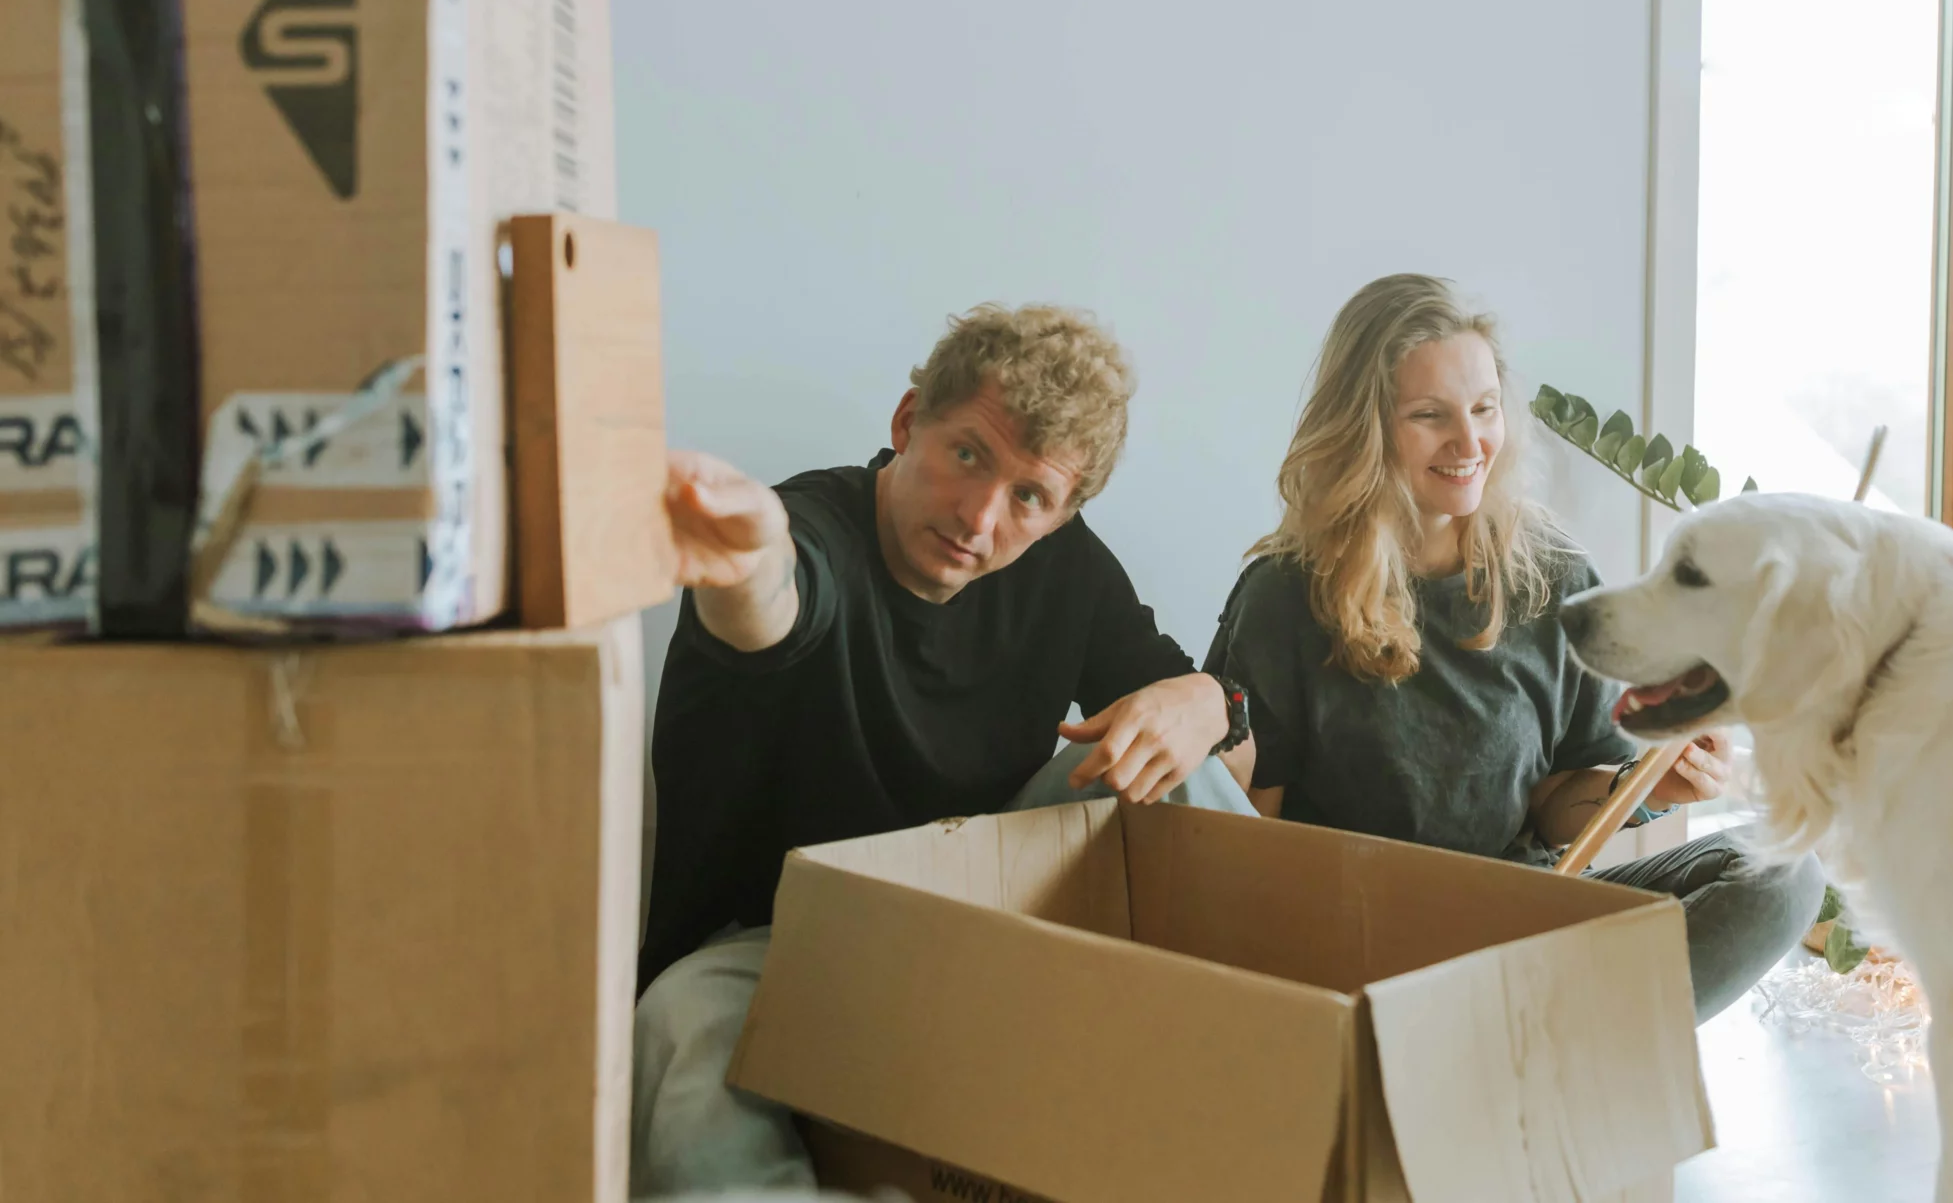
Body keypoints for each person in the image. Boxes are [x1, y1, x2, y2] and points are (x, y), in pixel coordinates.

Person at [632, 304, 1258, 1198]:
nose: (979, 514)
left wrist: (1207, 698)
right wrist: (743, 560)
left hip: (978, 912)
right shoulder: (812, 526)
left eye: (1029, 496)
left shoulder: (1063, 564)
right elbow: (776, 601)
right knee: (675, 1027)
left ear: (1062, 509)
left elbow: (1223, 745)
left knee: (1184, 764)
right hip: (788, 936)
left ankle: (1276, 1101)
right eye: (968, 454)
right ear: (906, 421)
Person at [1206, 274, 1826, 1024]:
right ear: (1367, 427)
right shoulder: (1283, 597)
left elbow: (1559, 804)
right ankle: (1529, 1049)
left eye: (1483, 408)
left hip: (1524, 926)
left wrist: (1650, 788)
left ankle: (1546, 1046)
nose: (1469, 444)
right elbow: (1249, 849)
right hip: (1365, 952)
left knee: (1780, 875)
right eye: (1430, 415)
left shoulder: (1550, 572)